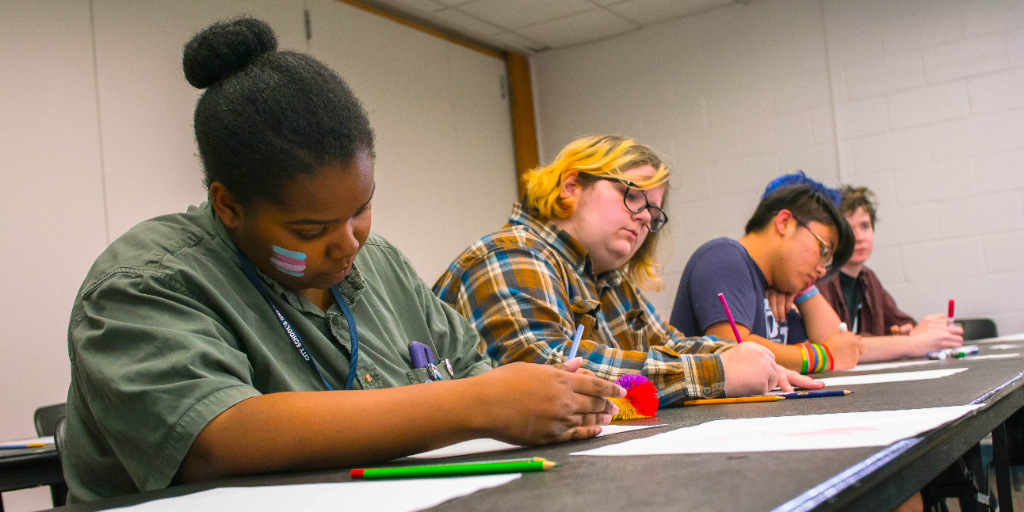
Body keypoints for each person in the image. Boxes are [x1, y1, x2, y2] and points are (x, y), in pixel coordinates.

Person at [63, 18, 623, 502]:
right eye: (310, 230)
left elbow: (471, 369)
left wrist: (540, 405)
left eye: (362, 209)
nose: (348, 244)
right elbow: (214, 438)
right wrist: (478, 403)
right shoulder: (144, 281)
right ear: (228, 205)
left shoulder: (378, 264)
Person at [434, 135, 820, 406]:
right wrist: (717, 371)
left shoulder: (606, 277)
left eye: (652, 213)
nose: (642, 220)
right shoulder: (510, 254)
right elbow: (550, 373)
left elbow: (668, 343)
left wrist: (748, 356)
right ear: (571, 187)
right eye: (632, 196)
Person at [669, 175, 863, 373]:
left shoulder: (775, 289)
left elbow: (838, 346)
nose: (822, 269)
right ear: (785, 222)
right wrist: (822, 357)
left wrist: (803, 290)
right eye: (823, 251)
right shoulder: (723, 257)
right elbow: (734, 350)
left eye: (828, 262)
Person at [818, 185, 963, 359]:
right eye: (850, 229)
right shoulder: (819, 279)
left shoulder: (867, 277)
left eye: (865, 226)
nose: (859, 237)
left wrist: (909, 331)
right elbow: (836, 344)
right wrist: (910, 340)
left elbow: (900, 323)